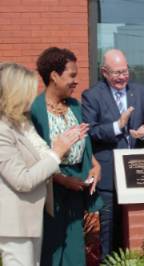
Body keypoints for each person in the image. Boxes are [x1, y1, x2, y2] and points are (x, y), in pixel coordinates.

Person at [0, 63, 84, 266]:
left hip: (31, 219)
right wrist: (57, 152)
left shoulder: (22, 123)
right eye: (29, 89)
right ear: (16, 93)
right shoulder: (3, 129)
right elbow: (22, 180)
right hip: (14, 224)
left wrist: (61, 144)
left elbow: (45, 155)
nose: (34, 95)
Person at [81, 49, 144, 258]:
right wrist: (117, 126)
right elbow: (91, 131)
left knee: (137, 232)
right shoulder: (92, 96)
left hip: (138, 174)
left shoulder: (142, 92)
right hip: (108, 177)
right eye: (116, 73)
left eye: (125, 71)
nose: (122, 77)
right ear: (104, 72)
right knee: (108, 234)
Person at [30, 47, 103, 266]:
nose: (76, 81)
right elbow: (35, 158)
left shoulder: (74, 105)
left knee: (74, 248)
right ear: (54, 75)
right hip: (51, 190)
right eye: (71, 75)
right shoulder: (35, 110)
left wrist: (95, 165)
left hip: (77, 187)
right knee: (52, 249)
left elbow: (85, 143)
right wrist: (63, 180)